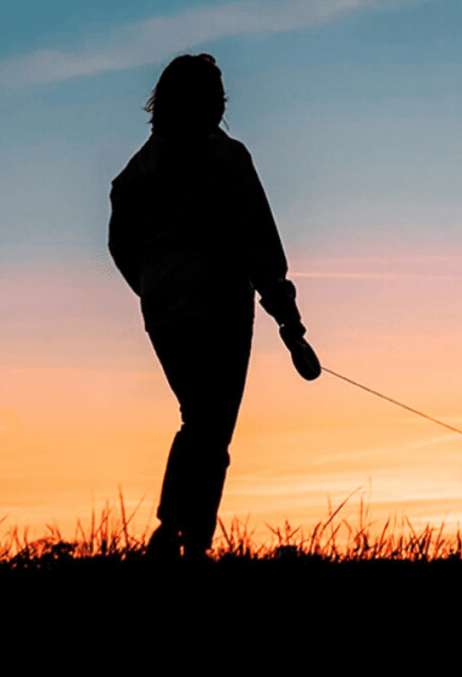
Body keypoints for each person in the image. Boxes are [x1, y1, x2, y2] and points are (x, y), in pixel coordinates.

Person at [109, 54, 320, 559]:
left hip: (162, 308)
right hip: (219, 302)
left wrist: (150, 286)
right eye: (217, 93)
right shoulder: (227, 158)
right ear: (209, 101)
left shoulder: (135, 171)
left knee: (198, 418)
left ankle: (175, 532)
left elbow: (119, 242)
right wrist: (288, 319)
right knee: (212, 424)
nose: (223, 101)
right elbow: (259, 241)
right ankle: (186, 539)